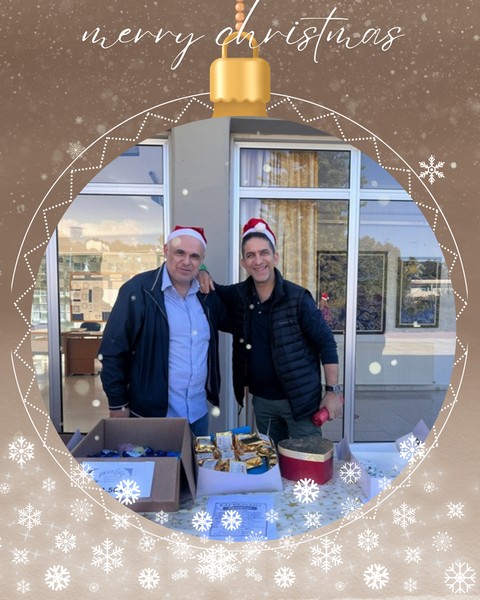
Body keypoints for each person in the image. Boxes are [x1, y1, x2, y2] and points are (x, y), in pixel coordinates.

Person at [200, 218, 343, 445]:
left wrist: (332, 392)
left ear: (275, 257)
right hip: (263, 402)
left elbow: (326, 343)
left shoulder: (298, 298)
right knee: (271, 458)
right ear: (243, 263)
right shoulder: (239, 295)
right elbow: (211, 290)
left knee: (306, 458)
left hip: (301, 402)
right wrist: (202, 270)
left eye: (264, 253)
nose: (258, 261)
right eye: (250, 255)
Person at [98, 225, 230, 436]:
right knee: (154, 461)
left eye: (194, 256)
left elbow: (241, 313)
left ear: (202, 260)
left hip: (197, 415)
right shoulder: (139, 290)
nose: (186, 261)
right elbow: (112, 351)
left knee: (195, 460)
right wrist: (118, 404)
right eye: (180, 253)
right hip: (151, 417)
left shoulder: (207, 296)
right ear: (166, 250)